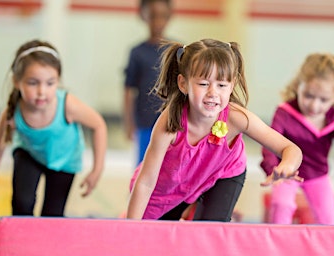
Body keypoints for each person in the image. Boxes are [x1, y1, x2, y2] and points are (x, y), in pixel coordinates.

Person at [126, 39, 303, 221]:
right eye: (203, 84)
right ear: (183, 83)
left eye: (221, 85)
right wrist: (131, 228)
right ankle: (191, 210)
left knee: (208, 233)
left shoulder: (237, 118)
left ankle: (211, 212)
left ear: (232, 85)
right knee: (155, 239)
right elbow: (146, 182)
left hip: (223, 174)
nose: (213, 93)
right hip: (170, 187)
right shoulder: (170, 123)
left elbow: (291, 149)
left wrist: (286, 166)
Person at [0, 39, 107, 225]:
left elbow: (99, 125)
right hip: (30, 154)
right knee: (22, 203)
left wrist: (97, 169)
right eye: (33, 83)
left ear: (58, 81)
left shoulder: (68, 105)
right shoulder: (12, 113)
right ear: (17, 82)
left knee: (52, 216)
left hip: (64, 160)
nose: (42, 91)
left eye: (50, 83)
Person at [260, 53, 334, 225]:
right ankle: (277, 245)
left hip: (317, 175)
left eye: (323, 100)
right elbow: (269, 142)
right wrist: (273, 169)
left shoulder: (333, 119)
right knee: (281, 205)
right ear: (298, 86)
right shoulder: (284, 113)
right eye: (308, 96)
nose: (314, 105)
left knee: (327, 219)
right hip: (286, 172)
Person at [123, 0, 173, 166]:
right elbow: (128, 90)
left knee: (167, 166)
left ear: (169, 17)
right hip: (144, 123)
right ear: (143, 16)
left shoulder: (176, 51)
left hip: (170, 123)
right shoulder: (137, 53)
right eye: (153, 16)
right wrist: (129, 123)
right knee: (143, 166)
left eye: (162, 16)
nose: (158, 22)